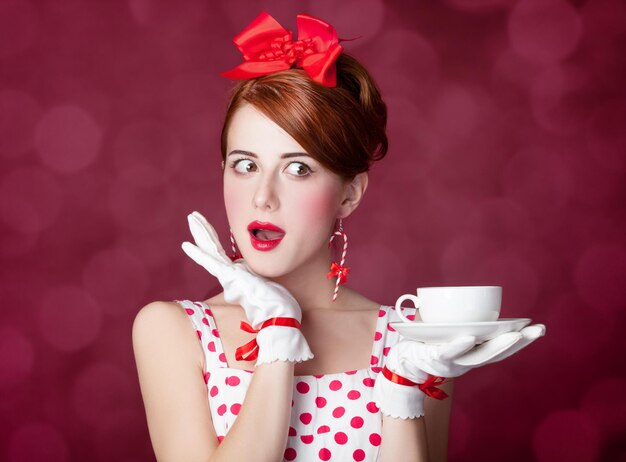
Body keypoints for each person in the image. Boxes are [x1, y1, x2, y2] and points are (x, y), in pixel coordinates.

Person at [132, 11, 545, 462]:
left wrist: (403, 394)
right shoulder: (173, 330)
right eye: (246, 165)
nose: (263, 197)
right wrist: (277, 333)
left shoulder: (413, 343)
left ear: (348, 195)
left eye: (298, 169)